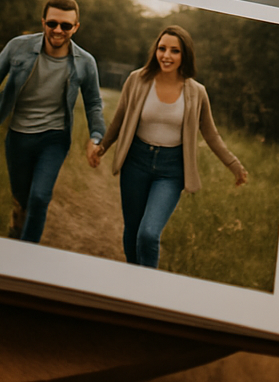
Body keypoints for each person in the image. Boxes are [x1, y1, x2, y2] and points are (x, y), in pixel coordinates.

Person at [95, 26, 248, 268]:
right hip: (136, 163)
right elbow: (119, 119)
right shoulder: (137, 79)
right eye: (162, 49)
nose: (166, 55)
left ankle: (149, 283)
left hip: (171, 171)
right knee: (133, 229)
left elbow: (211, 134)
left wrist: (234, 165)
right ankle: (132, 279)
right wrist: (102, 147)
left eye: (174, 51)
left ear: (185, 55)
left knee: (148, 233)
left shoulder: (197, 92)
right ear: (155, 50)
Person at [0, 0, 105, 243]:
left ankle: (26, 251)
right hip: (17, 137)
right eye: (52, 23)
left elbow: (93, 104)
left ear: (76, 27)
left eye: (66, 25)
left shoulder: (85, 62)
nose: (58, 30)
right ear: (43, 22)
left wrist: (95, 137)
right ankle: (18, 222)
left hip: (54, 139)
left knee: (39, 197)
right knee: (22, 197)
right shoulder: (18, 47)